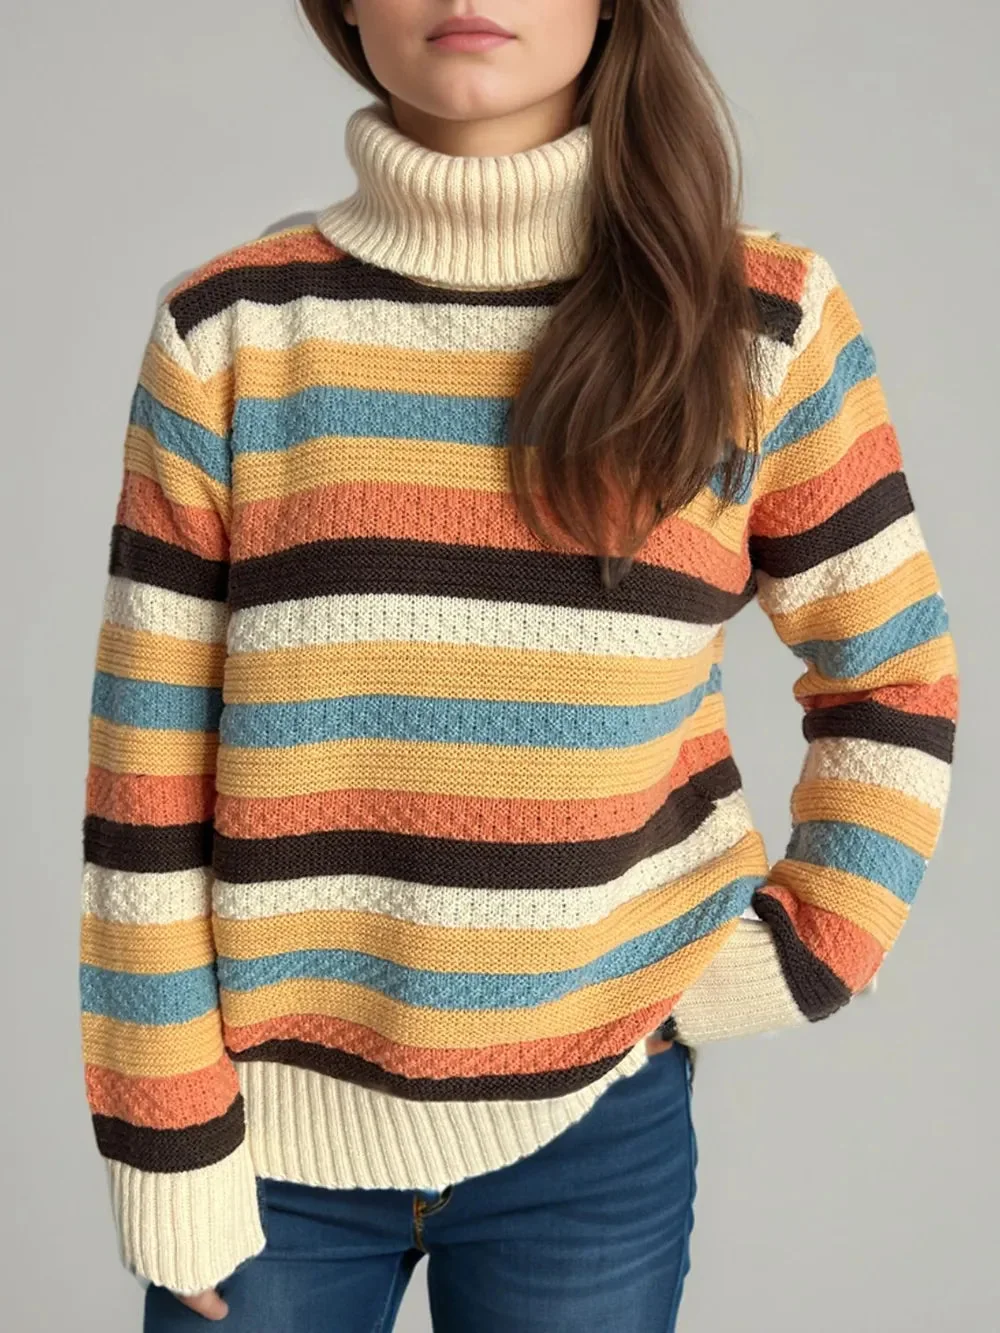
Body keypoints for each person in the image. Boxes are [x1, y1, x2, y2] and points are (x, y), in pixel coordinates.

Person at [76, 2, 958, 1329]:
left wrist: (816, 941)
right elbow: (143, 781)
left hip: (597, 1130)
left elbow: (894, 673)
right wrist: (163, 1134)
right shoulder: (234, 332)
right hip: (262, 1145)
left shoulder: (758, 324)